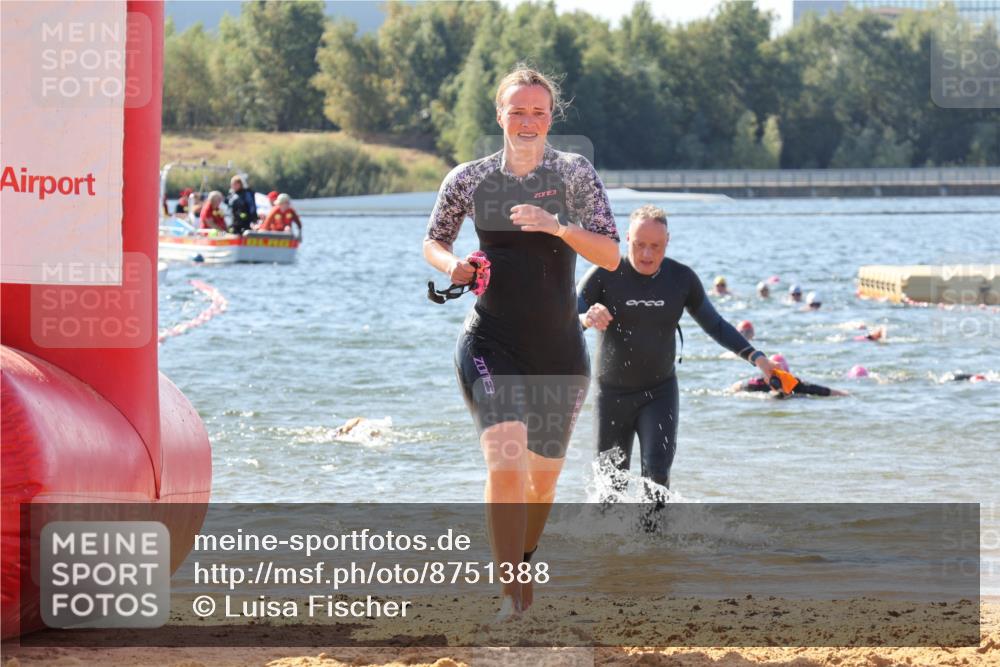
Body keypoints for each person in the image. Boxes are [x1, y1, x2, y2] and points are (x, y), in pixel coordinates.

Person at [423, 66, 620, 617]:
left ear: (551, 118)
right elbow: (434, 241)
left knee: (541, 485)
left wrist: (557, 226)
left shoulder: (574, 173)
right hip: (490, 341)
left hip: (560, 351)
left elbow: (610, 254)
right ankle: (509, 595)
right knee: (505, 459)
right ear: (500, 115)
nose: (527, 121)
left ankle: (524, 561)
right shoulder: (470, 178)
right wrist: (452, 265)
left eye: (538, 111)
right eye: (517, 111)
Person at [578, 205, 778, 497]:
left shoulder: (681, 279)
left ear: (668, 241)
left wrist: (757, 357)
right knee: (610, 487)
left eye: (655, 246)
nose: (647, 254)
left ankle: (654, 531)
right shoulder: (603, 274)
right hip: (611, 395)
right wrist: (586, 318)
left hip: (659, 393)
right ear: (627, 238)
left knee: (657, 478)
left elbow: (715, 325)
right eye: (639, 245)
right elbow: (565, 320)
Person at [732, 354, 847, 397]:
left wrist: (844, 394)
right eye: (775, 377)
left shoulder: (797, 385)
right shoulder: (758, 384)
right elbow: (736, 387)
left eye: (782, 378)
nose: (778, 382)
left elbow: (826, 392)